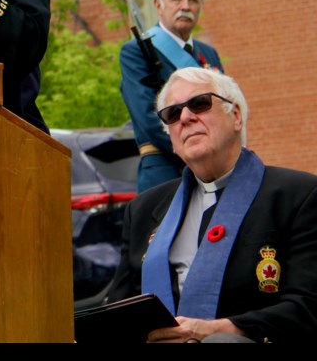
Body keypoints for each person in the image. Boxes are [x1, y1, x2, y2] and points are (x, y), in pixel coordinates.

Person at [109, 67, 317, 343]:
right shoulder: (144, 210)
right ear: (170, 138)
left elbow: (308, 306)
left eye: (200, 103)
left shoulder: (298, 195)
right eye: (172, 113)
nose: (185, 117)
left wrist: (216, 330)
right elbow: (120, 307)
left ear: (236, 116)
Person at [120, 0, 224, 192]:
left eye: (193, 0)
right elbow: (148, 118)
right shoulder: (136, 52)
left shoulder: (209, 54)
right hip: (166, 171)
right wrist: (197, 150)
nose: (186, 6)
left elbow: (223, 109)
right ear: (159, 5)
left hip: (214, 170)